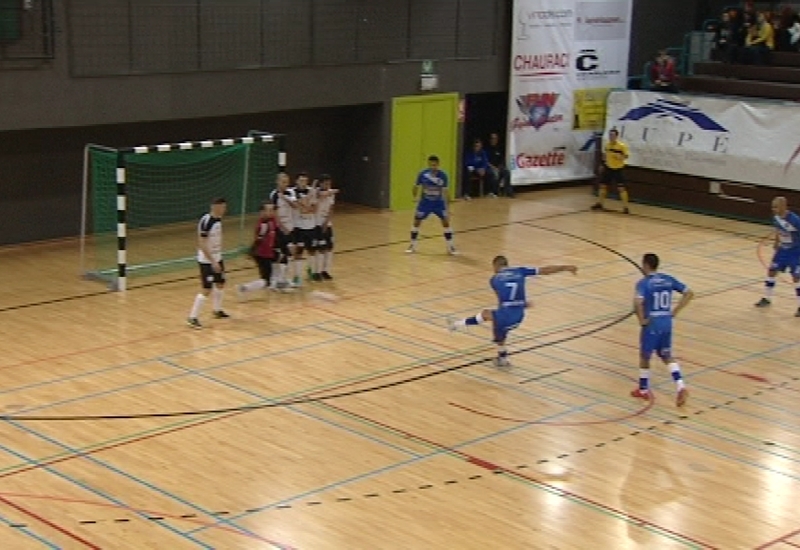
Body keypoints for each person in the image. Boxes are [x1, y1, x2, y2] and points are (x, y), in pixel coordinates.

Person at [450, 256, 577, 367]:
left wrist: (518, 305)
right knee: (491, 317)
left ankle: (458, 325)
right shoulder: (520, 271)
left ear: (496, 266)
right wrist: (566, 267)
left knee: (492, 319)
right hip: (518, 316)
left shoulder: (494, 279)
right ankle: (460, 325)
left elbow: (502, 301)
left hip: (506, 316)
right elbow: (545, 270)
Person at [633, 253, 694, 406]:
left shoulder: (643, 283)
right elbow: (689, 293)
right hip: (666, 322)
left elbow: (637, 303)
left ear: (646, 265)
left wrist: (642, 321)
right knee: (666, 355)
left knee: (645, 356)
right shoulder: (668, 279)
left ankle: (643, 390)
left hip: (652, 323)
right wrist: (675, 311)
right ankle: (681, 386)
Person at [187, 197, 229, 329]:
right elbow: (202, 243)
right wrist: (212, 262)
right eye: (222, 207)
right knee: (207, 289)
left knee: (221, 283)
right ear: (214, 207)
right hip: (207, 260)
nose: (224, 210)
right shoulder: (206, 221)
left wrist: (218, 258)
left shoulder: (218, 220)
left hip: (217, 257)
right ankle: (192, 317)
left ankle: (217, 310)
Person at [755, 196, 800, 315]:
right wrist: (776, 242)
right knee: (772, 271)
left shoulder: (794, 220)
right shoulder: (776, 218)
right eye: (772, 207)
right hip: (782, 250)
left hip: (795, 251)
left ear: (783, 206)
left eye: (776, 207)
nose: (773, 209)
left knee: (796, 277)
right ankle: (767, 298)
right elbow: (778, 230)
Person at [406, 155, 457, 255]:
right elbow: (416, 186)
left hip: (438, 203)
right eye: (431, 165)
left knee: (446, 222)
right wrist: (415, 197)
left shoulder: (443, 176)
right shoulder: (423, 174)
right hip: (425, 203)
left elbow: (446, 191)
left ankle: (450, 246)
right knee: (416, 222)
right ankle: (412, 245)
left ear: (438, 165)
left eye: (434, 165)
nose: (433, 167)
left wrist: (448, 207)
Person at [238, 202, 278, 297]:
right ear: (263, 212)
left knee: (269, 276)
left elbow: (275, 234)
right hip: (261, 254)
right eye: (268, 210)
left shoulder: (272, 221)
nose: (271, 212)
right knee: (266, 279)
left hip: (269, 252)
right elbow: (258, 241)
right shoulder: (263, 225)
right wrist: (251, 252)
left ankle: (272, 286)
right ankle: (244, 288)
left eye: (272, 210)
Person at [592, 128, 631, 213]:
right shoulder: (607, 145)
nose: (611, 137)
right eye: (610, 135)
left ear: (616, 136)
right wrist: (602, 164)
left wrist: (620, 157)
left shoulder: (622, 146)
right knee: (603, 186)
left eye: (613, 135)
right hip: (608, 168)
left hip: (618, 169)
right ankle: (600, 203)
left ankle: (625, 207)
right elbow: (604, 155)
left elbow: (626, 156)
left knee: (621, 188)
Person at [270, 172, 297, 290]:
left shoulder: (290, 192)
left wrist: (285, 197)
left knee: (290, 254)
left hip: (290, 227)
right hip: (280, 229)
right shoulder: (274, 195)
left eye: (286, 182)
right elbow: (274, 214)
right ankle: (276, 281)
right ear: (277, 182)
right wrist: (281, 228)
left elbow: (295, 205)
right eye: (282, 181)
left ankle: (284, 279)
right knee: (280, 254)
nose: (285, 184)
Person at [291, 173, 318, 288]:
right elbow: (298, 207)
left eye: (305, 181)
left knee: (312, 251)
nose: (303, 183)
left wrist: (306, 207)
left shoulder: (312, 191)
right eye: (301, 180)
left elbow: (314, 209)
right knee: (298, 252)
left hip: (311, 226)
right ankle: (297, 276)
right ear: (296, 181)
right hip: (299, 227)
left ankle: (310, 269)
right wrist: (305, 206)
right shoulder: (292, 192)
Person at [313, 174, 339, 280]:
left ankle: (326, 270)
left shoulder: (331, 193)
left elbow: (331, 209)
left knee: (329, 247)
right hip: (317, 223)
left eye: (329, 183)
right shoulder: (316, 192)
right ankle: (317, 271)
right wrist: (331, 192)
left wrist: (327, 221)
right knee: (320, 248)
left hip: (327, 224)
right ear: (321, 183)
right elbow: (320, 195)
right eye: (326, 183)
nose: (328, 185)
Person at [486, 132, 514, 198]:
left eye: (495, 138)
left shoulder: (499, 148)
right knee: (494, 173)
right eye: (492, 138)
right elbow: (486, 161)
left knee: (506, 172)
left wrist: (500, 167)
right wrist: (494, 168)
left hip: (498, 167)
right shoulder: (487, 149)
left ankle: (508, 192)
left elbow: (502, 159)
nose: (494, 140)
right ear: (490, 139)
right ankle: (494, 192)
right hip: (489, 167)